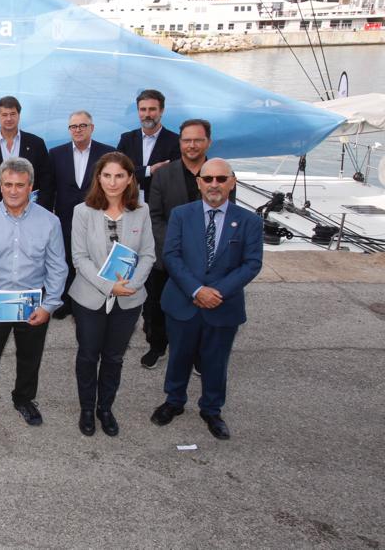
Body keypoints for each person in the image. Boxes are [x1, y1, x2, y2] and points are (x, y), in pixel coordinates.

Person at [151, 159, 263, 441]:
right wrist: (196, 290)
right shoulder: (181, 215)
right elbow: (171, 256)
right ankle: (173, 402)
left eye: (221, 179)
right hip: (183, 301)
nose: (214, 184)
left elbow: (251, 264)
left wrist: (218, 292)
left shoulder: (249, 221)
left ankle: (212, 409)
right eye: (208, 178)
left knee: (216, 361)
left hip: (223, 305)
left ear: (232, 182)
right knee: (179, 356)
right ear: (199, 182)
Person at [0, 157, 67, 428]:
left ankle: (24, 399)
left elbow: (57, 267)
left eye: (19, 185)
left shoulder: (50, 222)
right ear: (0, 185)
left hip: (34, 303)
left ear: (30, 186)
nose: (13, 190)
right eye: (8, 184)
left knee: (30, 356)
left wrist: (49, 306)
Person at [68, 151, 155, 437]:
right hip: (89, 298)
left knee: (114, 358)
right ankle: (86, 409)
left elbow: (148, 254)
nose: (113, 182)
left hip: (129, 298)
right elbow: (79, 258)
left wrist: (130, 286)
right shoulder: (82, 212)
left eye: (119, 176)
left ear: (130, 178)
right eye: (107, 175)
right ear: (99, 178)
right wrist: (109, 287)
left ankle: (105, 408)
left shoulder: (141, 211)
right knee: (88, 355)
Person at [143, 118, 227, 369]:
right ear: (180, 143)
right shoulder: (164, 175)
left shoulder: (220, 174)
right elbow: (155, 216)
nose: (192, 145)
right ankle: (157, 346)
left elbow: (227, 215)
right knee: (158, 307)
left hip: (208, 260)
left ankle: (199, 355)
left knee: (202, 309)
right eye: (187, 140)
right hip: (168, 256)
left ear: (208, 142)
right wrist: (175, 249)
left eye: (197, 140)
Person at [47, 110, 115, 319]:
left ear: (91, 128)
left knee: (94, 257)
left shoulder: (107, 154)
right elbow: (50, 187)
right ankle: (68, 301)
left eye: (82, 126)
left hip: (96, 216)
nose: (77, 130)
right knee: (67, 258)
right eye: (73, 126)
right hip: (65, 217)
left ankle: (91, 301)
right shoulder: (56, 154)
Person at [0, 95, 54, 210]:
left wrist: (40, 209)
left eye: (13, 114)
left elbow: (46, 181)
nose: (9, 118)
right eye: (4, 115)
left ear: (19, 115)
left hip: (29, 211)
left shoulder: (36, 143)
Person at [116, 89, 180, 202]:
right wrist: (149, 170)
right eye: (143, 109)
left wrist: (135, 171)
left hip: (160, 205)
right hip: (127, 203)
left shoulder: (175, 141)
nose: (147, 114)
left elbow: (173, 176)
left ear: (162, 111)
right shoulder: (127, 139)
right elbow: (118, 171)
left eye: (152, 109)